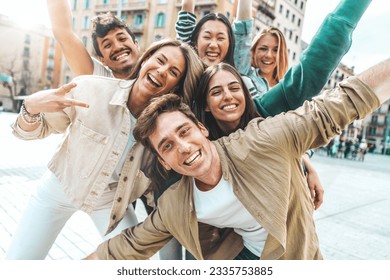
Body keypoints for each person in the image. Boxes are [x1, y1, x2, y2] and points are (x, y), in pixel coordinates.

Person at [84, 57, 390, 260]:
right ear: (163, 161)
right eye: (167, 146)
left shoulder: (262, 139)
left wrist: (302, 160)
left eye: (184, 132)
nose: (184, 147)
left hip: (295, 255)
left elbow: (340, 103)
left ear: (202, 128)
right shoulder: (176, 203)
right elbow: (127, 245)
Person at [6, 39, 204, 260]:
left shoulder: (167, 128)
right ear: (146, 58)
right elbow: (28, 132)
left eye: (173, 71)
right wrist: (30, 108)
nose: (161, 71)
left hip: (109, 202)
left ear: (175, 86)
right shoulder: (91, 89)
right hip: (59, 188)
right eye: (160, 60)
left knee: (135, 267)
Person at [47, 0, 140, 78]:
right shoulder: (101, 77)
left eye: (122, 39)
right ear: (102, 60)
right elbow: (64, 33)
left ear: (136, 44)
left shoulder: (153, 73)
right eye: (107, 45)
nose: (117, 47)